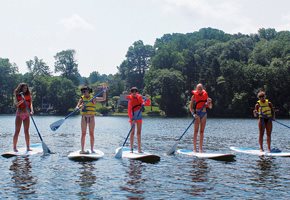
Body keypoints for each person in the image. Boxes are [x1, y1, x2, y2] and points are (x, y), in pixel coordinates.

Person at [76, 85, 107, 154]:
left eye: (85, 91)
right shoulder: (82, 98)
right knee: (83, 134)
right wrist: (78, 107)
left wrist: (104, 91)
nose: (84, 93)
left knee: (91, 134)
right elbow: (78, 105)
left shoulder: (93, 98)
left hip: (91, 118)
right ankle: (82, 150)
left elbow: (104, 98)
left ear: (88, 91)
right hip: (84, 118)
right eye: (83, 91)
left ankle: (92, 149)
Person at [189, 83, 212, 153]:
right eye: (198, 89)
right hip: (197, 114)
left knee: (202, 132)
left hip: (204, 114)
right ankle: (195, 149)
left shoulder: (206, 96)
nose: (199, 90)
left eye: (201, 89)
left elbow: (210, 107)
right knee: (196, 131)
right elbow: (191, 108)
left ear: (202, 89)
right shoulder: (193, 96)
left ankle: (200, 149)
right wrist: (193, 115)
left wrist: (210, 102)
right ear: (196, 89)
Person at [126, 87, 151, 153]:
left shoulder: (140, 98)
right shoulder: (130, 100)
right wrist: (131, 118)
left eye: (135, 92)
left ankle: (139, 149)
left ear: (137, 92)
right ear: (131, 93)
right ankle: (131, 149)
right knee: (132, 132)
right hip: (133, 116)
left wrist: (148, 99)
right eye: (133, 92)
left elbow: (147, 104)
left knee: (139, 133)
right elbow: (129, 110)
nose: (134, 93)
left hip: (139, 116)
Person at [13, 83, 34, 152]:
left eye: (26, 88)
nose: (25, 89)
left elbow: (30, 104)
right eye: (23, 88)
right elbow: (16, 104)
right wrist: (22, 100)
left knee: (26, 131)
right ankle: (14, 148)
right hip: (19, 114)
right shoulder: (17, 95)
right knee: (17, 131)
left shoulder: (29, 95)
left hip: (27, 114)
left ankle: (28, 147)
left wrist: (32, 111)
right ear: (21, 88)